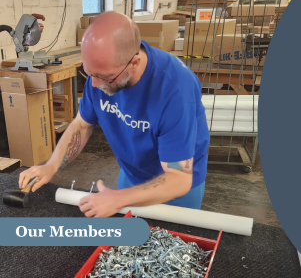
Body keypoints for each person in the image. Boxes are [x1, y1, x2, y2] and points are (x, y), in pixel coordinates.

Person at [19, 11, 210, 217]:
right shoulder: (100, 73)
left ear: (134, 63)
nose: (93, 84)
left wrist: (119, 199)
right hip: (131, 177)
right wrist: (51, 166)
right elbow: (82, 124)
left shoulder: (176, 91)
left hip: (174, 191)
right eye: (88, 73)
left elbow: (178, 178)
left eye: (104, 77)